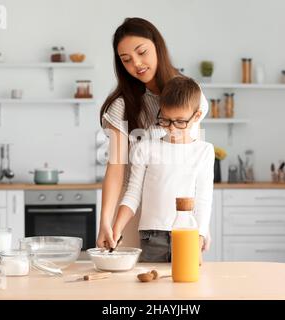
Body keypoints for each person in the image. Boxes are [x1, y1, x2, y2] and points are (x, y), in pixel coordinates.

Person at [97, 17, 209, 251]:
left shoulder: (190, 94)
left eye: (142, 52)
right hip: (133, 211)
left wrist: (202, 226)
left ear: (157, 46)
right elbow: (116, 166)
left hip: (183, 215)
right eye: (126, 60)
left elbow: (196, 168)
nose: (136, 64)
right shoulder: (122, 106)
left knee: (182, 282)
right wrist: (105, 221)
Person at [111, 76, 214, 262]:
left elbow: (204, 198)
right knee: (154, 289)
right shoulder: (145, 149)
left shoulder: (204, 151)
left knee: (186, 287)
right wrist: (116, 227)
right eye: (165, 120)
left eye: (180, 122)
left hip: (188, 234)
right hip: (152, 235)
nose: (172, 128)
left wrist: (201, 235)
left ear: (197, 116)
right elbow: (133, 194)